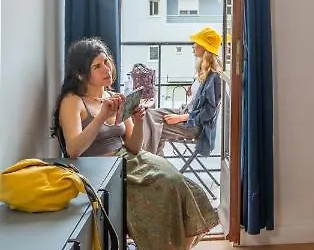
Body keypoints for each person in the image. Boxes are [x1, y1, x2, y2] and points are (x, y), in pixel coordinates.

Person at [51, 37, 219, 250]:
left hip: (130, 159)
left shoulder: (116, 97)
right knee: (168, 186)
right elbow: (74, 150)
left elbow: (133, 146)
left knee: (190, 191)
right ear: (81, 74)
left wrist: (138, 121)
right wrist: (101, 117)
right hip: (103, 171)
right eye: (97, 66)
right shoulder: (73, 101)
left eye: (106, 62)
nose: (107, 69)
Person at [143, 27, 223, 157]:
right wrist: (194, 89)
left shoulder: (215, 77)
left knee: (155, 128)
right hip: (186, 113)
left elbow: (209, 112)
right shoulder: (204, 71)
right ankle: (156, 161)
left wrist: (181, 118)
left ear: (205, 47)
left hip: (195, 126)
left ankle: (152, 162)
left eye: (196, 43)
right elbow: (202, 98)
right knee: (148, 115)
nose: (193, 46)